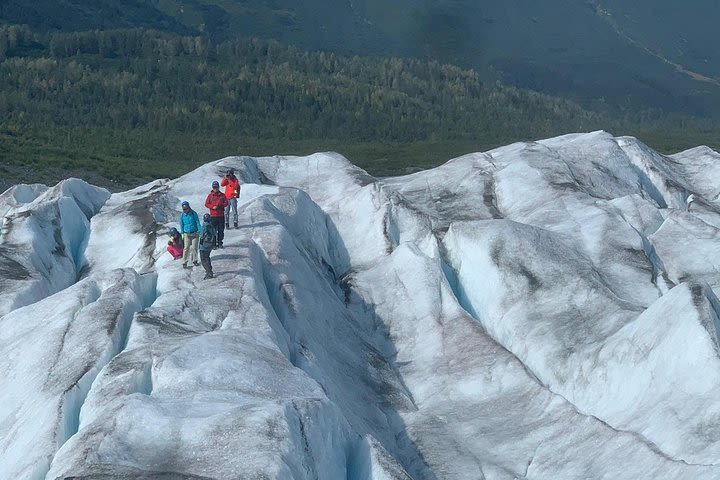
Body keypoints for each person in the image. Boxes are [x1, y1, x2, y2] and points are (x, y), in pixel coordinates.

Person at [204, 180, 229, 248]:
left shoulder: (222, 195)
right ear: (212, 187)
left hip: (221, 215)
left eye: (216, 187)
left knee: (221, 230)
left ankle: (220, 243)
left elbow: (226, 203)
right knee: (213, 231)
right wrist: (212, 207)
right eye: (214, 187)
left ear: (218, 187)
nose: (215, 189)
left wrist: (221, 205)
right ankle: (214, 244)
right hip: (213, 216)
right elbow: (206, 204)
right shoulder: (210, 196)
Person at [179, 200, 201, 268]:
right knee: (186, 248)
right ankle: (184, 262)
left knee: (194, 247)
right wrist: (182, 233)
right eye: (184, 209)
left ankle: (195, 260)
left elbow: (197, 222)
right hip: (186, 234)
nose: (185, 210)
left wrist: (199, 230)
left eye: (186, 209)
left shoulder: (193, 213)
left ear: (189, 207)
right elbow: (181, 224)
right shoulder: (182, 215)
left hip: (194, 233)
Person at [199, 213, 217, 279]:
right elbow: (215, 233)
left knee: (203, 259)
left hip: (204, 245)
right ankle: (209, 270)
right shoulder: (211, 225)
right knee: (207, 257)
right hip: (210, 244)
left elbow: (202, 235)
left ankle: (209, 272)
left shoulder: (205, 225)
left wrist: (200, 242)